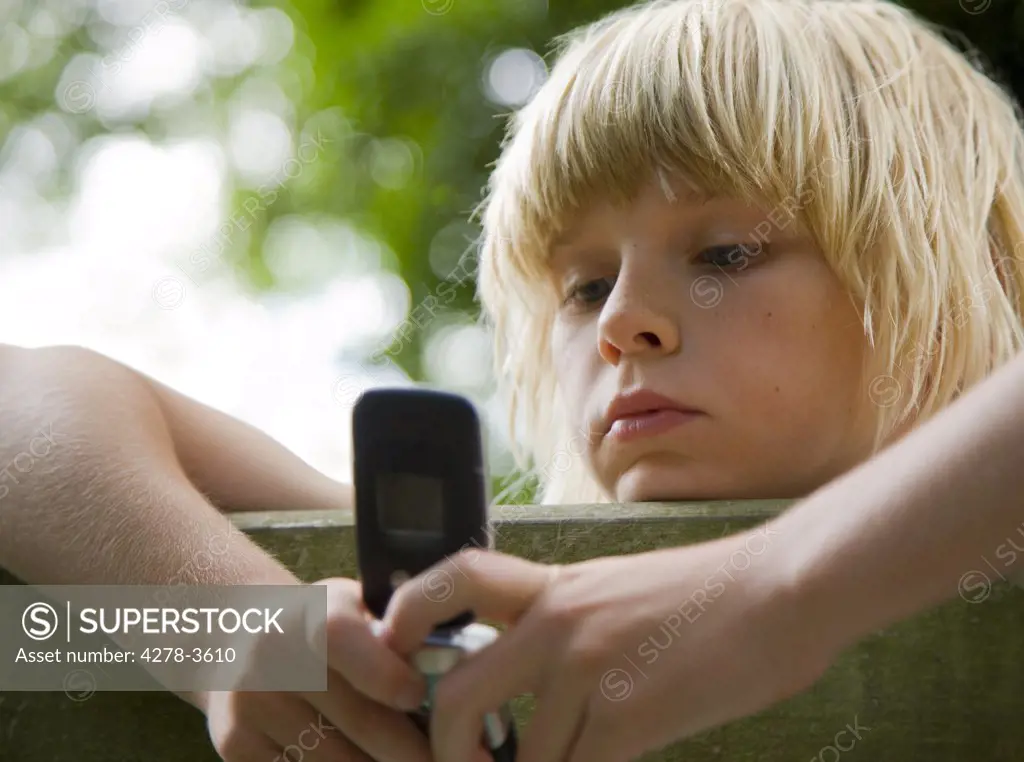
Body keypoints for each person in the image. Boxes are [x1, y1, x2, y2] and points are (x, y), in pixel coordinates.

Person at [1, 0, 1022, 761]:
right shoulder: (464, 606)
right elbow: (23, 409)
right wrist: (229, 627)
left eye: (722, 255)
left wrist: (777, 588)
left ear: (969, 275)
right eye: (581, 286)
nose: (621, 320)